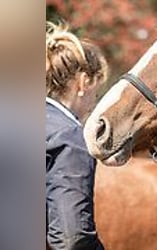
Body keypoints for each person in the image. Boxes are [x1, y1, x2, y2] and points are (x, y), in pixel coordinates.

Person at [46, 21, 108, 250]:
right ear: (83, 82)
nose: (94, 102)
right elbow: (71, 238)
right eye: (97, 92)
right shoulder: (67, 136)